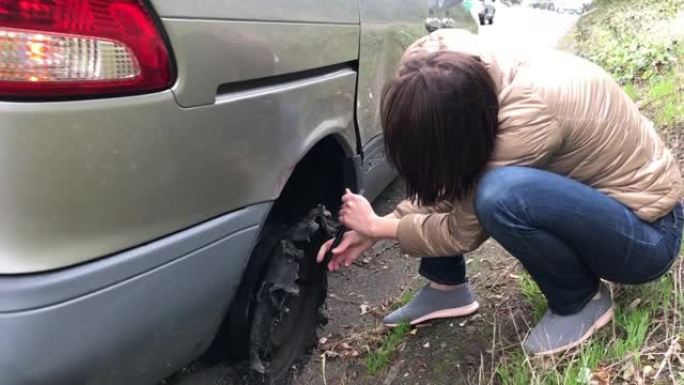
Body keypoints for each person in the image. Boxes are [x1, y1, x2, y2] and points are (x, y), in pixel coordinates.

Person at [317, 29, 683, 356]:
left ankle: (580, 301)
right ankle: (447, 288)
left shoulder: (527, 115)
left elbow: (463, 228)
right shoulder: (448, 71)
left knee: (498, 195)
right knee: (455, 159)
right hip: (609, 210)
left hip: (647, 235)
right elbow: (451, 175)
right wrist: (383, 222)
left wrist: (380, 229)